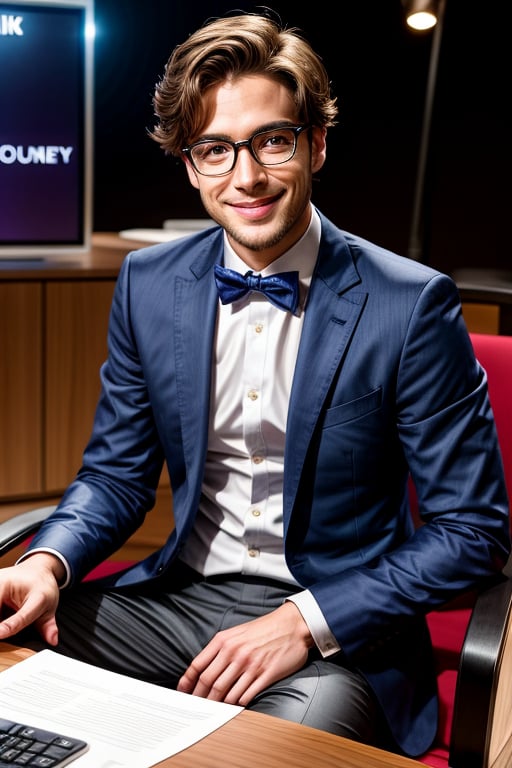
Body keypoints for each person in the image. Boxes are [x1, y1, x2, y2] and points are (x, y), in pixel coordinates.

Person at [0, 10, 509, 760]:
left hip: (335, 635)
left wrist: (303, 621)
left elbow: (472, 533)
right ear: (188, 162)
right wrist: (47, 561)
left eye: (272, 140)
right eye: (214, 149)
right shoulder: (149, 282)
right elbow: (115, 475)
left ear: (317, 143)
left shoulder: (411, 304)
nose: (247, 177)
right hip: (175, 601)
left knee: (268, 756)